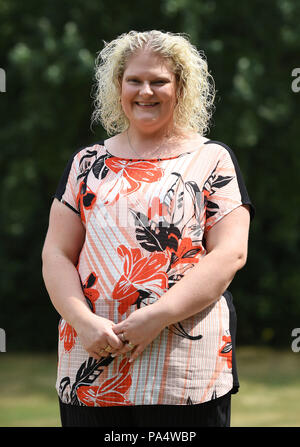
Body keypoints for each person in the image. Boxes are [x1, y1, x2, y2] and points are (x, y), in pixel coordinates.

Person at [42, 30, 255, 427]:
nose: (146, 91)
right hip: (91, 364)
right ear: (118, 86)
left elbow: (231, 253)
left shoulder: (213, 159)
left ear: (181, 88)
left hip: (185, 373)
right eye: (134, 80)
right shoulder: (85, 163)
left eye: (159, 81)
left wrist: (157, 316)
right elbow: (56, 253)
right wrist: (83, 322)